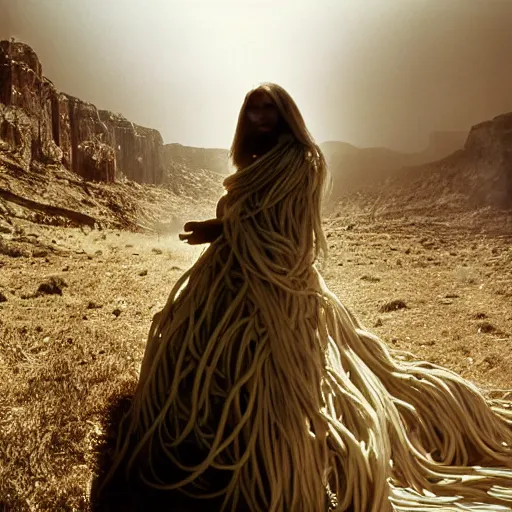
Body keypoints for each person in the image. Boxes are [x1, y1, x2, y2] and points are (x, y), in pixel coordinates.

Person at [99, 83, 512, 511]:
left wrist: (226, 229)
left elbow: (288, 234)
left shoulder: (300, 161)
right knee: (187, 347)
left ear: (285, 114)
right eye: (253, 108)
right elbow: (250, 217)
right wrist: (216, 227)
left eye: (270, 108)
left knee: (269, 377)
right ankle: (192, 443)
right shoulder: (255, 161)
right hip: (230, 277)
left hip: (277, 289)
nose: (260, 115)